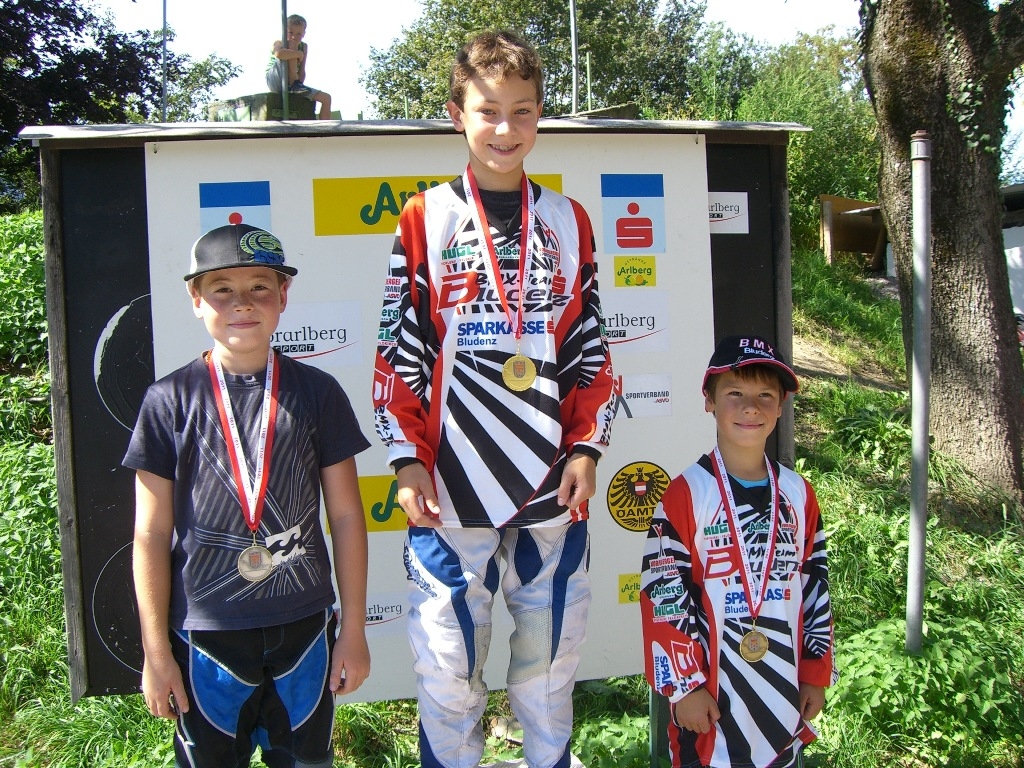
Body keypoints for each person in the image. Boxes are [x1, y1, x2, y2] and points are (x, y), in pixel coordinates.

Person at [370, 29, 615, 768]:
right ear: (457, 115)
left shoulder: (570, 220)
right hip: (449, 490)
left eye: (522, 111)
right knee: (448, 671)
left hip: (550, 487)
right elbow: (399, 349)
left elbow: (590, 345)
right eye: (488, 111)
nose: (505, 129)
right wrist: (406, 460)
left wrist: (586, 446)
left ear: (540, 115)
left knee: (548, 670)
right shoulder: (424, 217)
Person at [126, 223, 371, 767]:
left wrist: (352, 628)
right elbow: (150, 533)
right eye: (222, 289)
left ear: (284, 295)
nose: (242, 303)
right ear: (196, 300)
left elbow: (347, 517)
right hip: (205, 636)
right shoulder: (168, 400)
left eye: (260, 286)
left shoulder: (318, 392)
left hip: (303, 629)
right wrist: (156, 652)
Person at [640, 335, 838, 768]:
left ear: (781, 406)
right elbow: (663, 595)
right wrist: (685, 687)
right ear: (709, 401)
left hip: (784, 691)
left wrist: (815, 672)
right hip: (709, 703)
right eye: (735, 394)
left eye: (765, 395)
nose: (751, 407)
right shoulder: (686, 493)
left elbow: (815, 586)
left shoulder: (799, 494)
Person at [265, 14, 332, 120]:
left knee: (326, 98)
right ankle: (294, 84)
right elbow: (278, 54)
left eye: (298, 34)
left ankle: (326, 128)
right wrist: (298, 53)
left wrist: (300, 83)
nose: (294, 37)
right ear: (284, 31)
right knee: (292, 45)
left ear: (304, 34)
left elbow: (302, 70)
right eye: (290, 32)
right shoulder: (279, 42)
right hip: (275, 79)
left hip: (293, 85)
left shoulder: (304, 47)